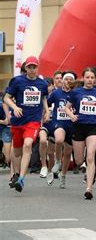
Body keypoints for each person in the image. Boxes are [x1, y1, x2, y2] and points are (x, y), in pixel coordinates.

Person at [4, 56, 49, 192]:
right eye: (29, 67)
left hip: (33, 121)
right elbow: (6, 98)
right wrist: (15, 107)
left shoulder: (42, 84)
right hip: (18, 121)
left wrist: (46, 111)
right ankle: (16, 173)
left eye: (34, 67)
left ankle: (22, 179)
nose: (32, 69)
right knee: (16, 152)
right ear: (25, 68)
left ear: (37, 68)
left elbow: (43, 98)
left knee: (28, 144)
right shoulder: (17, 81)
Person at [65, 67, 96, 200]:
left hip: (93, 128)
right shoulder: (76, 92)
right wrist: (71, 115)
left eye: (92, 78)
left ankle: (89, 188)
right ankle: (82, 165)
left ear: (95, 79)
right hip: (78, 127)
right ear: (83, 78)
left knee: (90, 156)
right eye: (87, 77)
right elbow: (66, 107)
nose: (90, 80)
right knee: (78, 160)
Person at [48, 71, 77, 188]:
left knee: (68, 152)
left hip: (72, 125)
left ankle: (63, 176)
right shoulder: (56, 93)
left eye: (71, 79)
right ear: (63, 81)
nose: (68, 81)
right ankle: (58, 162)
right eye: (66, 79)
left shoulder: (77, 94)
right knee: (59, 140)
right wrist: (45, 113)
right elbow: (46, 103)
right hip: (58, 122)